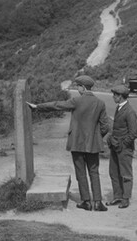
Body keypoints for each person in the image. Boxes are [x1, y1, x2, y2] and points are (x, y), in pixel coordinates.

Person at [27, 75, 111, 211]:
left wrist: (38, 107)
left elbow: (57, 105)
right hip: (93, 144)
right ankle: (98, 202)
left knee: (81, 172)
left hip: (77, 143)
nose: (77, 89)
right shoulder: (100, 103)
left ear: (83, 88)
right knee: (94, 172)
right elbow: (105, 126)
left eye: (78, 86)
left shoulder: (76, 101)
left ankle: (86, 202)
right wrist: (96, 137)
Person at [105, 83, 137, 208]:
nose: (113, 97)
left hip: (124, 149)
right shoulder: (119, 108)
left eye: (115, 95)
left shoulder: (130, 112)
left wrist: (123, 144)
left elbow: (133, 133)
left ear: (121, 96)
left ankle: (125, 198)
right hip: (115, 147)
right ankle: (117, 197)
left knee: (125, 174)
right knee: (114, 172)